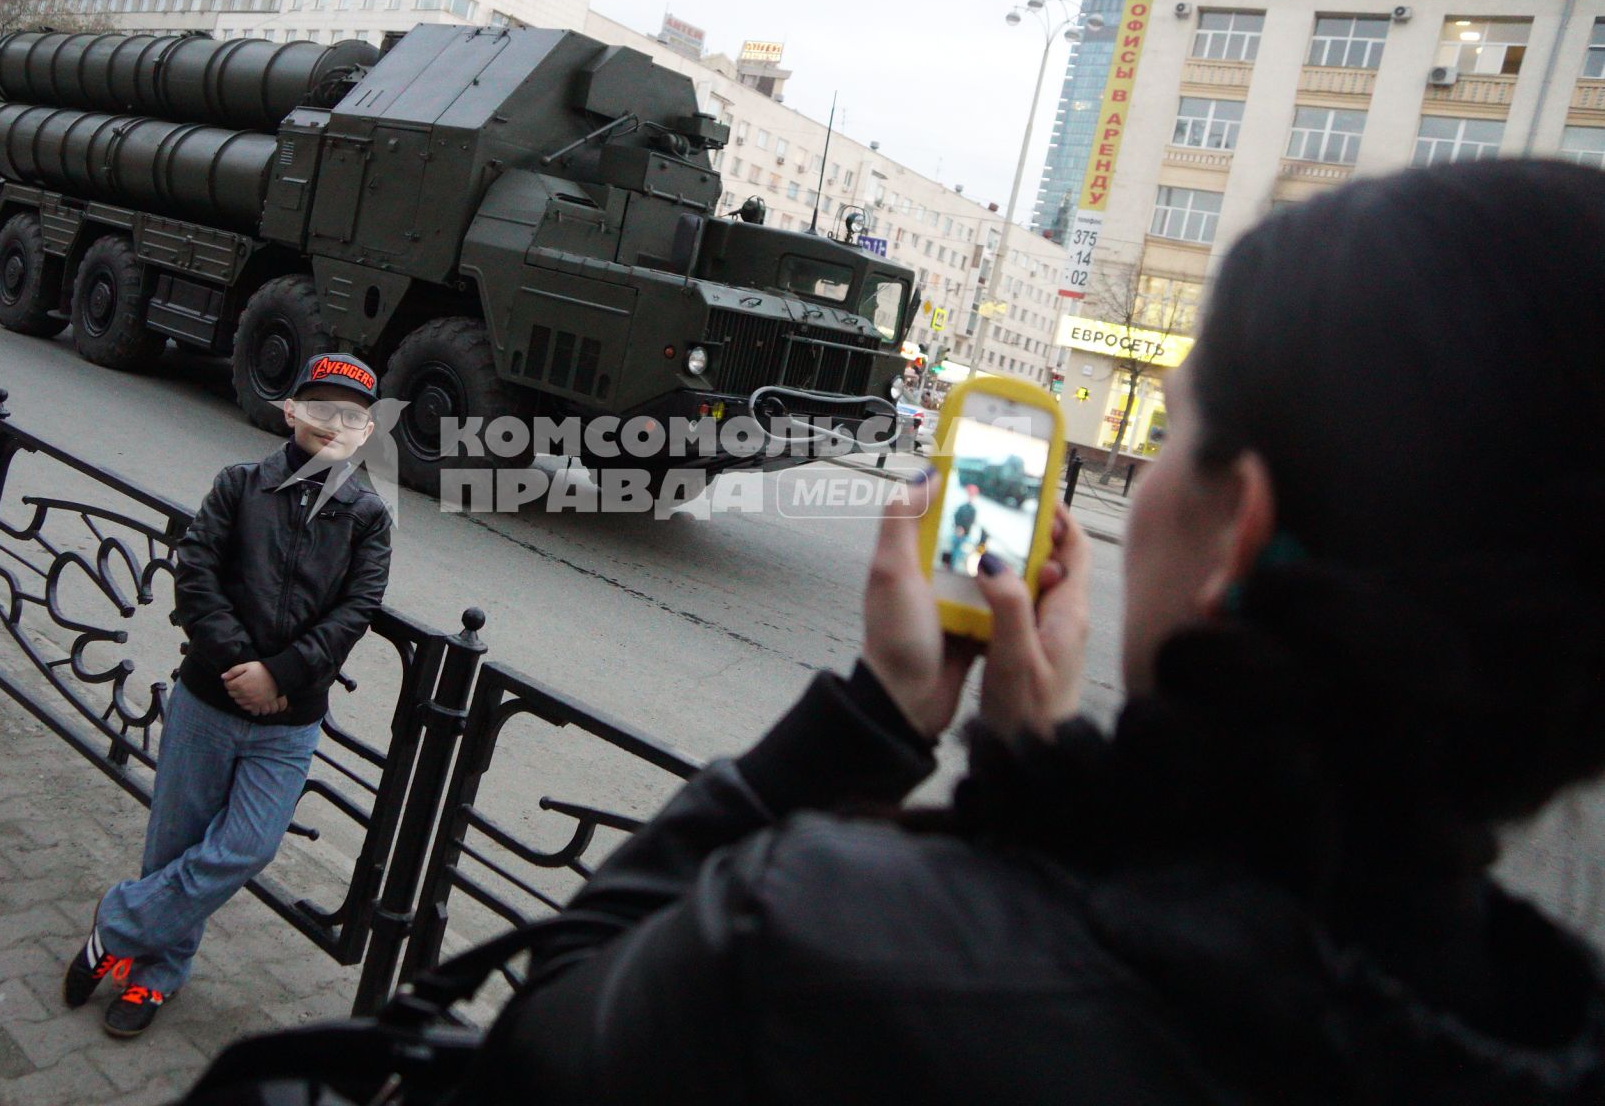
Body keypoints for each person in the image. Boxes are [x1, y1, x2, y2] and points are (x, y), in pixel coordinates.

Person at [478, 160, 1605, 1103]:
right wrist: (1044, 787)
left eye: (1169, 423)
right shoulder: (1544, 1031)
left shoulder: (825, 939)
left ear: (1237, 533)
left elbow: (537, 1038)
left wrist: (875, 715)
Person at [60, 353, 393, 1038]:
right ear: (290, 410)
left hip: (289, 720)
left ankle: (114, 926)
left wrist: (284, 676)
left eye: (350, 415)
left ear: (366, 431)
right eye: (319, 406)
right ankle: (153, 977)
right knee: (175, 844)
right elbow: (198, 574)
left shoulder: (368, 516)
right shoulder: (240, 485)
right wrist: (243, 665)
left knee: (245, 846)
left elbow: (354, 612)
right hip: (208, 701)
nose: (333, 423)